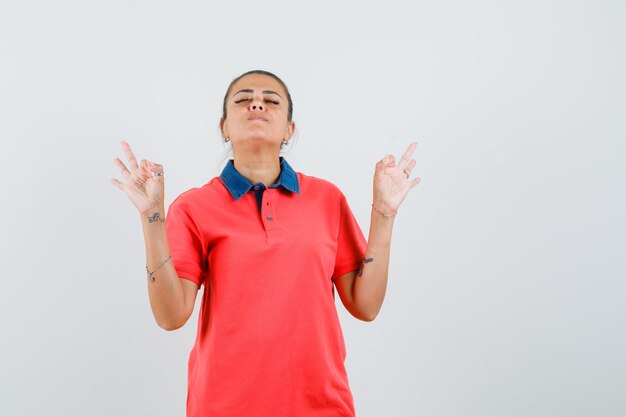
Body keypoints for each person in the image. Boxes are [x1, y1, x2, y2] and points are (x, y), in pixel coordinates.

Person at [111, 70, 420, 417]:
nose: (256, 103)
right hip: (222, 406)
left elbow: (366, 305)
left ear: (289, 129)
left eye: (271, 100)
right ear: (224, 126)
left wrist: (384, 214)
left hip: (322, 406)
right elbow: (170, 316)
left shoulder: (326, 199)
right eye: (242, 99)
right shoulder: (193, 207)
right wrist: (152, 217)